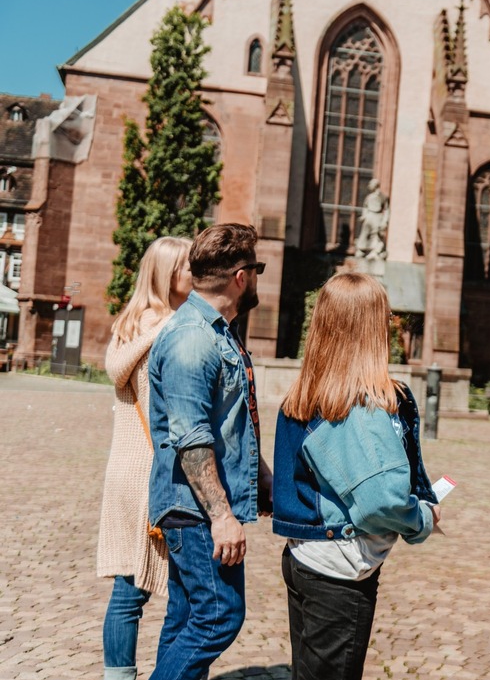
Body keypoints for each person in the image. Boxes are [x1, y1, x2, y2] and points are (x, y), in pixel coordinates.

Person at [273, 272, 438, 680]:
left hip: (305, 557)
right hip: (341, 571)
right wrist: (422, 519)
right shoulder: (360, 408)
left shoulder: (306, 395)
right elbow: (381, 501)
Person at [146, 223, 273, 680]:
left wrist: (264, 483)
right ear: (242, 276)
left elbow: (229, 424)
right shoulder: (192, 338)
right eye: (256, 269)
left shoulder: (219, 331)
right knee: (219, 616)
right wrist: (223, 517)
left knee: (185, 620)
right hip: (194, 510)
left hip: (198, 506)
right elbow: (192, 437)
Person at [97, 236, 192, 680]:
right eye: (189, 266)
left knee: (129, 586)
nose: (196, 273)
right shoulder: (167, 330)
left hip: (126, 468)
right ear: (168, 275)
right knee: (137, 589)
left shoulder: (130, 324)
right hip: (148, 472)